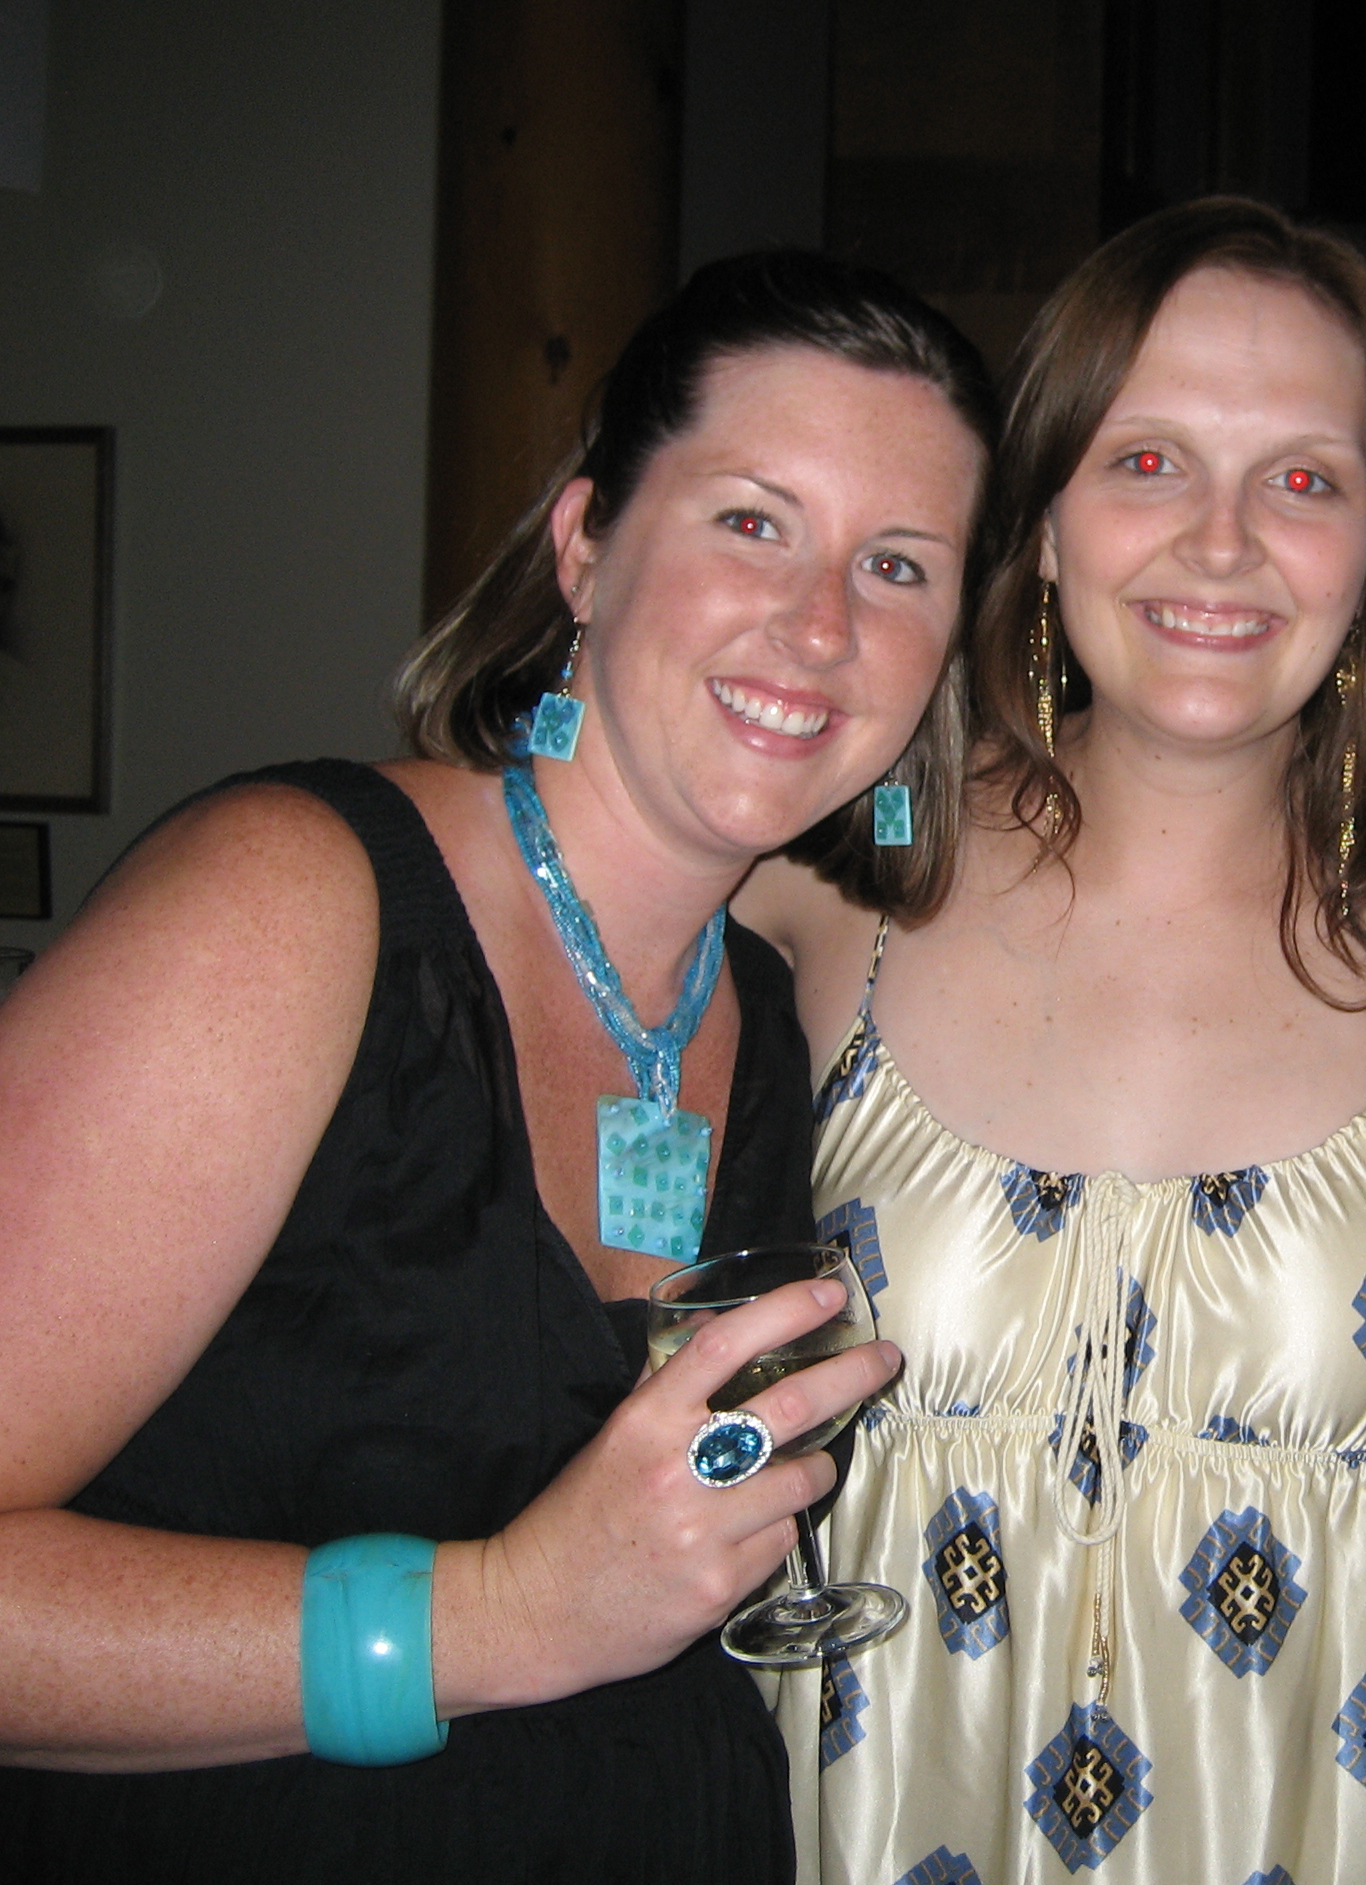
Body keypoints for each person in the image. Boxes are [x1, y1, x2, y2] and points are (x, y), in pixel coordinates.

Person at [0, 249, 993, 1881]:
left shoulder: (761, 1010)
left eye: (898, 566)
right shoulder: (290, 904)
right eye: (753, 521)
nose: (821, 624)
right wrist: (499, 1615)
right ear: (586, 546)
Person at [736, 197, 1366, 1882]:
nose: (1222, 540)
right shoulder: (836, 877)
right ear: (1040, 519)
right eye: (1147, 461)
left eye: (1304, 478)